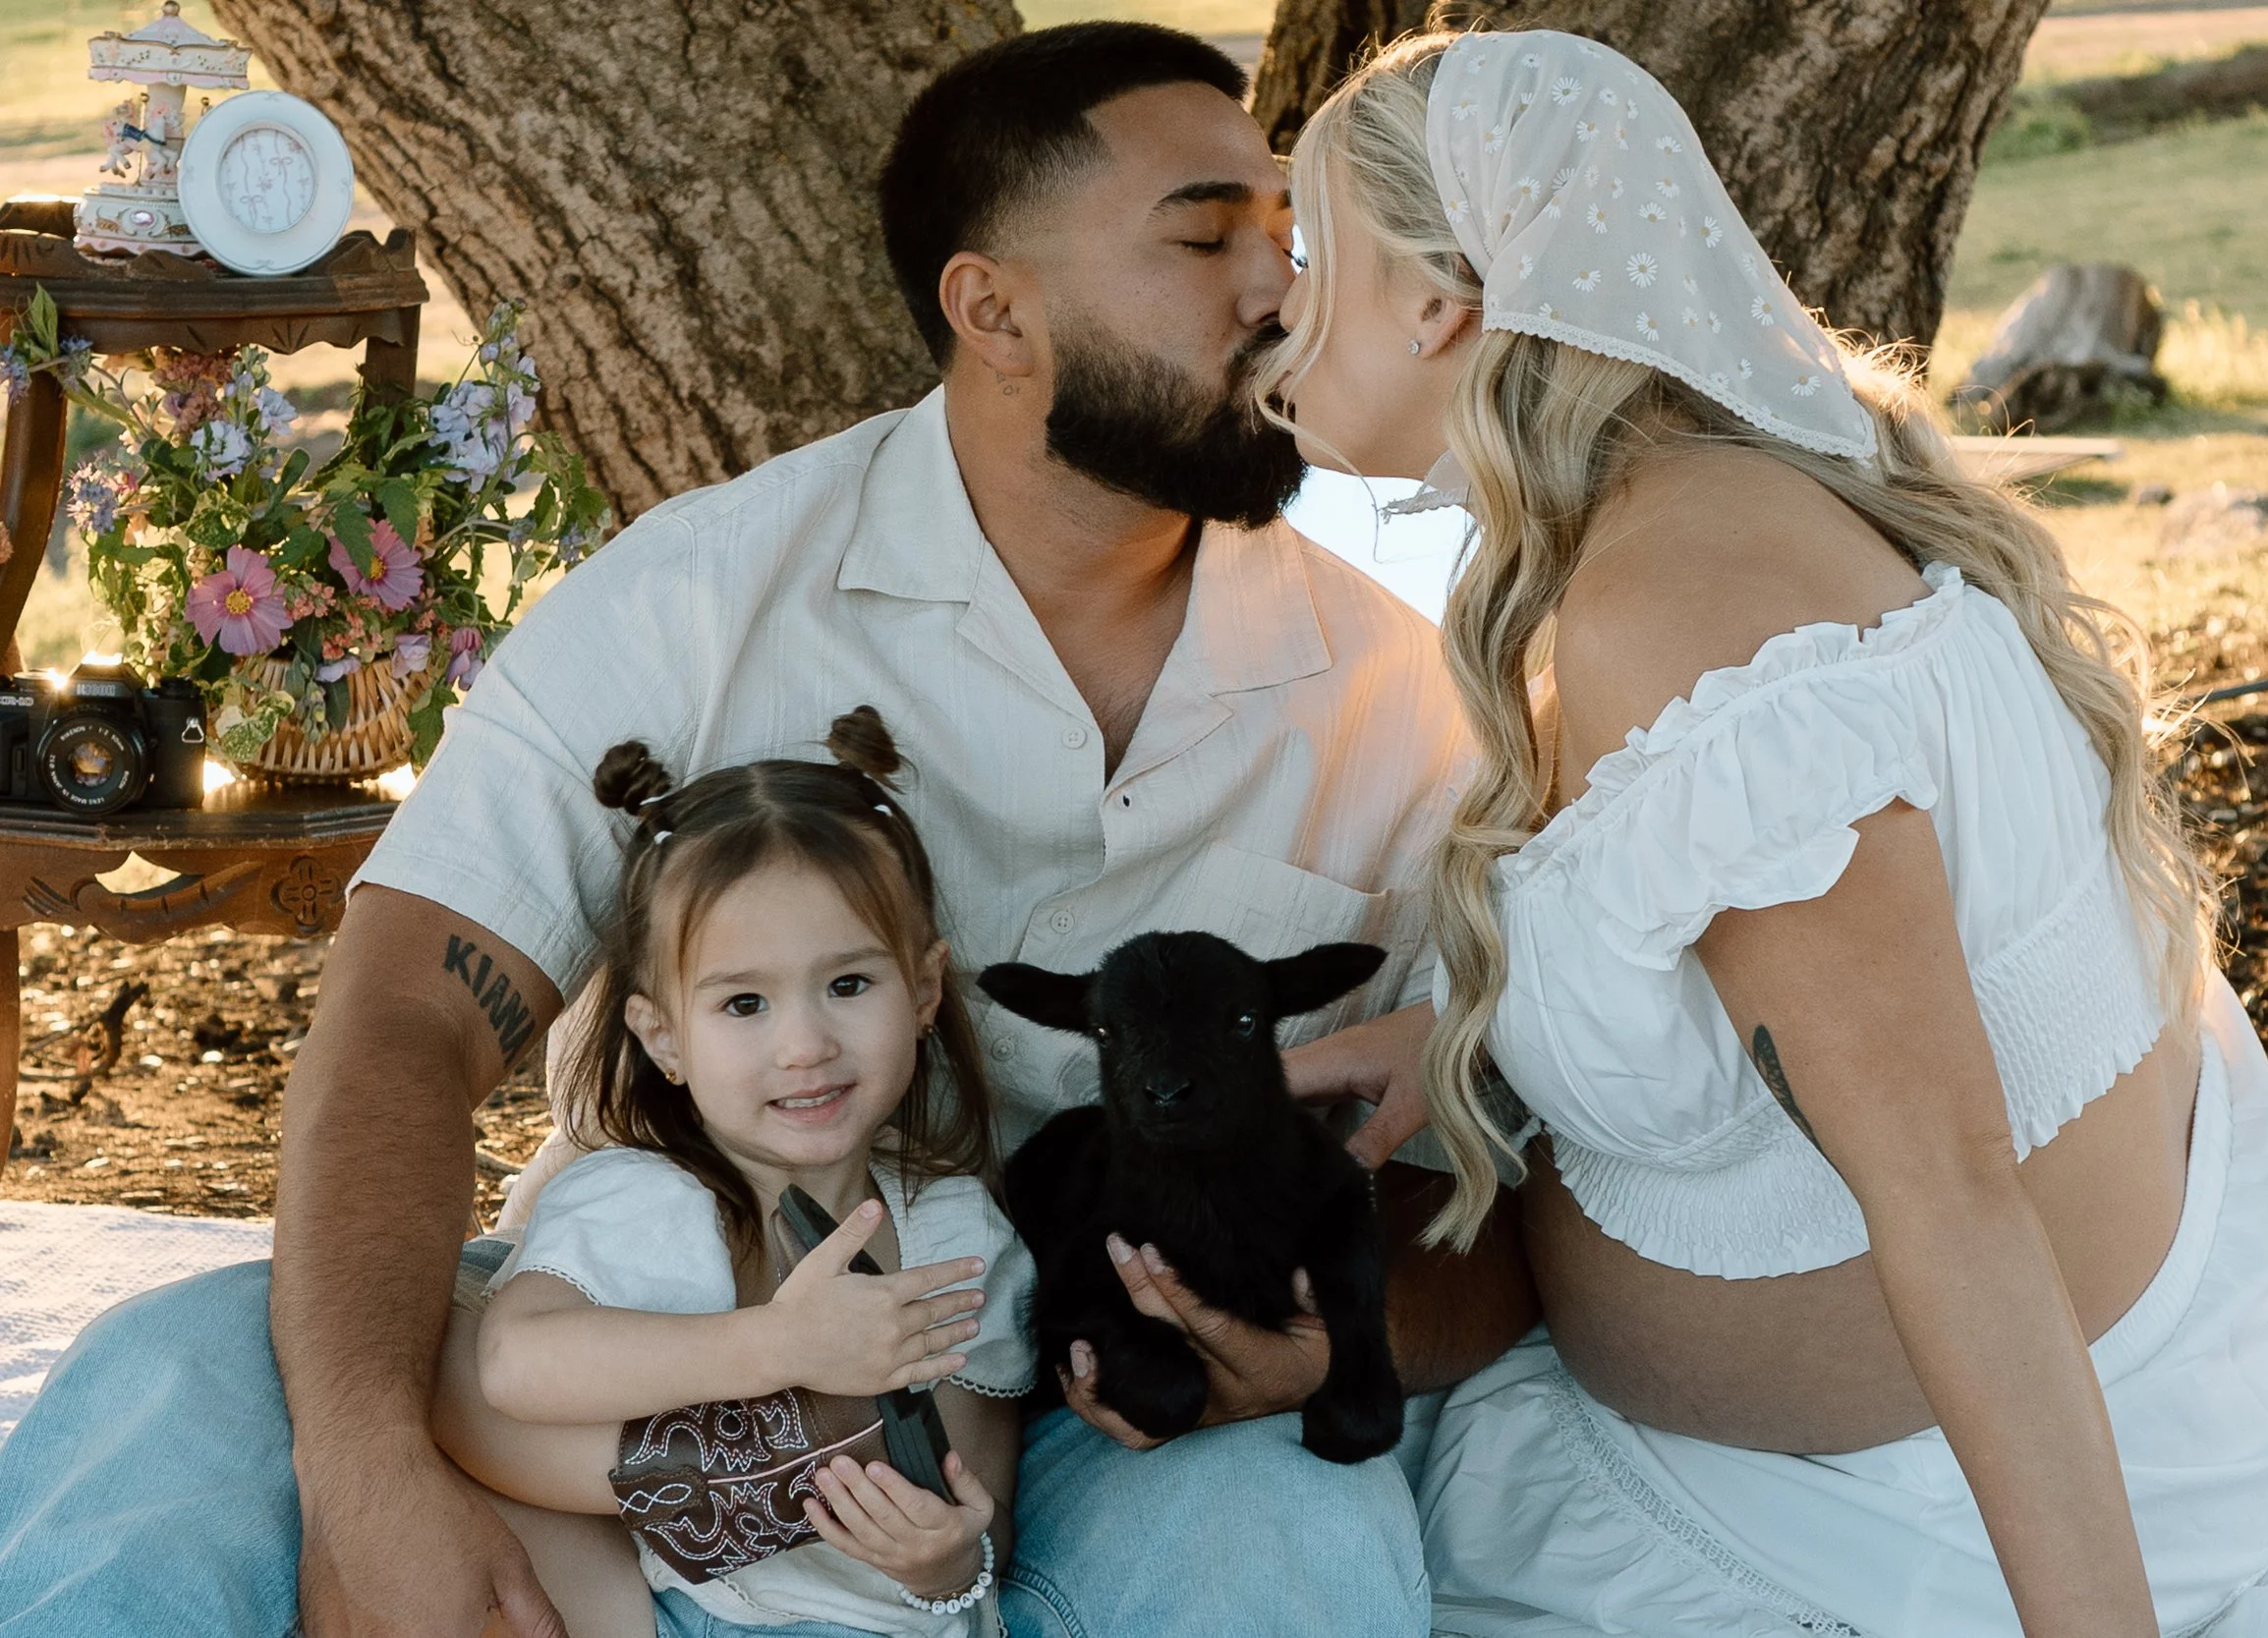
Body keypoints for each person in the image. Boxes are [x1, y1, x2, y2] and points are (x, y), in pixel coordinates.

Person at [0, 24, 1535, 1638]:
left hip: (1099, 1393)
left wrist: (1326, 1350)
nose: (1281, 288)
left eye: (1289, 237)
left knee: (1288, 1529)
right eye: (1207, 233)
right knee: (165, 1377)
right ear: (991, 307)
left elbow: (1496, 1190)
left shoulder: (1405, 696)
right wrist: (371, 1464)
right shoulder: (698, 600)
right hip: (658, 1340)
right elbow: (403, 1016)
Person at [1264, 27, 2268, 1637]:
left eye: (1303, 255)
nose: (1271, 312)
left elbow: (1951, 1190)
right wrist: (1463, 1045)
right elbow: (1772, 976)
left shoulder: (1686, 613)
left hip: (1888, 1528)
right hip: (1929, 1430)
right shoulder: (1690, 508)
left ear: (1439, 301)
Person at [433, 717, 1027, 1638]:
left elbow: (978, 1493)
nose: (805, 1046)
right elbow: (513, 1363)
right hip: (692, 1613)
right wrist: (776, 1346)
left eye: (849, 984)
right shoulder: (654, 1199)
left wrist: (945, 1559)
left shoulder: (956, 1232)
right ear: (663, 1035)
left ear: (922, 989)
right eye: (744, 1002)